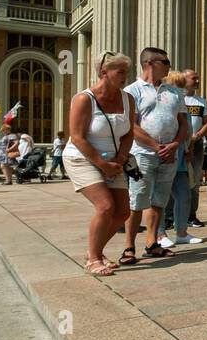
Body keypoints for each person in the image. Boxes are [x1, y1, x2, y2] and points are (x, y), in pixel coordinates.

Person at [63, 52, 137, 276]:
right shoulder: (84, 99)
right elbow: (77, 137)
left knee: (123, 211)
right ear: (104, 72)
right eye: (120, 71)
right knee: (105, 207)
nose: (125, 76)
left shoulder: (127, 99)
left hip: (114, 160)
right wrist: (101, 163)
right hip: (82, 158)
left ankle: (94, 250)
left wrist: (121, 158)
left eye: (126, 71)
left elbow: (129, 134)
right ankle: (93, 259)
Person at [121, 47, 187, 263]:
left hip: (169, 154)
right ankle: (129, 247)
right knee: (137, 199)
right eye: (165, 61)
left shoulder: (175, 92)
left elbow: (183, 123)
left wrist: (175, 144)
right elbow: (132, 124)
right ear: (150, 63)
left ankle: (152, 242)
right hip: (142, 154)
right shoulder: (133, 90)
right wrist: (156, 146)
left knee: (159, 199)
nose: (169, 65)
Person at [156, 70, 204, 248]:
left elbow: (189, 132)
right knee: (160, 197)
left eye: (182, 87)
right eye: (178, 86)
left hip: (181, 158)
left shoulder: (184, 107)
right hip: (165, 155)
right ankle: (160, 233)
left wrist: (189, 149)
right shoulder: (162, 106)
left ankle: (182, 232)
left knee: (184, 195)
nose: (181, 91)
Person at [182, 69, 207, 227]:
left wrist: (197, 136)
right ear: (184, 79)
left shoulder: (201, 102)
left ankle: (191, 215)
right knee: (173, 180)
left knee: (194, 181)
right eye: (194, 78)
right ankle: (169, 217)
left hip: (197, 144)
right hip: (179, 144)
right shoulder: (177, 99)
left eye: (198, 78)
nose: (197, 81)